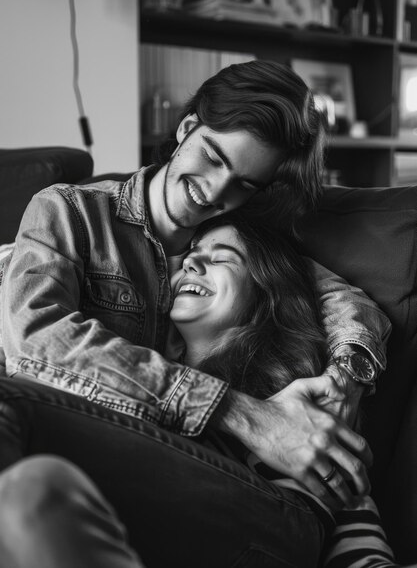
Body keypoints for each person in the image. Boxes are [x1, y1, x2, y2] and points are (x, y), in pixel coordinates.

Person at [0, 61, 390, 509]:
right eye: (213, 157)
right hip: (55, 435)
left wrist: (345, 379)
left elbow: (343, 301)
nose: (214, 192)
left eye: (243, 183)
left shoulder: (233, 235)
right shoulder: (70, 212)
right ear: (187, 129)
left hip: (154, 472)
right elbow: (35, 342)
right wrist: (244, 414)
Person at [0, 212, 396, 567]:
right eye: (189, 256)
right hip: (165, 523)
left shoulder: (291, 386)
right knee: (31, 491)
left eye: (222, 258)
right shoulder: (147, 371)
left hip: (277, 527)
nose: (192, 261)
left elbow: (348, 498)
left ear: (267, 291)